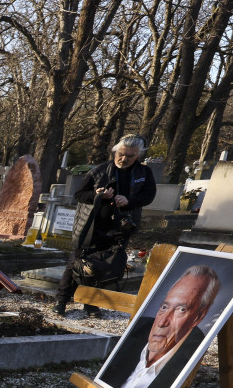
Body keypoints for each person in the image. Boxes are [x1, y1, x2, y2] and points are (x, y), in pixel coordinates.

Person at [55, 135, 157, 316]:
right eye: (121, 154)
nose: (124, 159)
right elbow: (79, 195)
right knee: (76, 263)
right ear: (115, 151)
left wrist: (129, 201)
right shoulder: (99, 170)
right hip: (92, 226)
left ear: (138, 155)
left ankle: (91, 304)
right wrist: (97, 195)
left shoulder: (144, 173)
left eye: (130, 156)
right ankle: (61, 301)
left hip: (121, 227)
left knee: (104, 267)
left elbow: (148, 197)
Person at [98, 265, 220, 388]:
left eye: (181, 310)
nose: (162, 322)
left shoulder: (183, 364)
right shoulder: (135, 335)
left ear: (198, 317)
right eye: (164, 307)